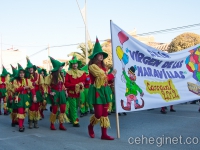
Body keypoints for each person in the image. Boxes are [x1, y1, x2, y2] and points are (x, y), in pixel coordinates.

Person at [87, 38, 117, 140]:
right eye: (99, 54)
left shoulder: (104, 67)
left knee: (104, 114)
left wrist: (112, 81)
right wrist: (112, 75)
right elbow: (101, 78)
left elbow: (106, 80)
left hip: (105, 90)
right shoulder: (92, 66)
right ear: (95, 56)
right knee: (98, 114)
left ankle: (104, 134)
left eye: (102, 55)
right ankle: (90, 126)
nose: (101, 56)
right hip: (97, 91)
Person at [45, 56, 68, 130]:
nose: (61, 67)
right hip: (55, 94)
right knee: (54, 110)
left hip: (62, 93)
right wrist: (50, 92)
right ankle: (52, 124)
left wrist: (65, 91)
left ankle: (61, 125)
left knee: (63, 109)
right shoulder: (51, 76)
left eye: (61, 66)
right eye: (60, 66)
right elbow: (47, 86)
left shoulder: (61, 75)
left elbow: (63, 85)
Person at [13, 63, 36, 132]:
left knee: (23, 112)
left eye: (23, 73)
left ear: (25, 74)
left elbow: (32, 88)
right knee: (20, 112)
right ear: (18, 74)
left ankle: (22, 124)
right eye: (20, 73)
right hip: (19, 97)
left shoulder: (27, 80)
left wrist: (34, 96)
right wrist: (24, 87)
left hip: (26, 98)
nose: (21, 74)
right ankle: (20, 126)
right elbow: (15, 89)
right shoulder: (15, 81)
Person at [65, 55, 86, 127]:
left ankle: (70, 117)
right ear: (71, 65)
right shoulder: (68, 73)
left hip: (79, 93)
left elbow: (84, 81)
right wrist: (75, 85)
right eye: (73, 64)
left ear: (78, 64)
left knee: (76, 106)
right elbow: (66, 84)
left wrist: (82, 84)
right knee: (73, 107)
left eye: (76, 63)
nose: (75, 65)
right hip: (71, 93)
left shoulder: (82, 72)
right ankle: (75, 121)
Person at [26, 57, 44, 129]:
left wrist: (43, 94)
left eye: (31, 68)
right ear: (28, 70)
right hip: (29, 94)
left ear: (33, 69)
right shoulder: (26, 77)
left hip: (37, 93)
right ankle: (30, 121)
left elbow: (41, 85)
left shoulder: (39, 76)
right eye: (29, 69)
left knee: (37, 108)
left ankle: (36, 122)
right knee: (31, 108)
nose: (30, 69)